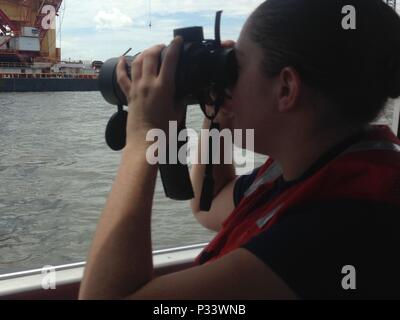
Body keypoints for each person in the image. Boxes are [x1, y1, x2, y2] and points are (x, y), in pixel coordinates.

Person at [79, 0, 400, 300]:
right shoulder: (322, 165)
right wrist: (216, 111)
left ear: (286, 88)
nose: (225, 82)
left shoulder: (337, 231)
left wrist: (144, 134)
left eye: (236, 67)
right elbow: (209, 206)